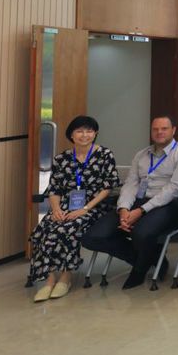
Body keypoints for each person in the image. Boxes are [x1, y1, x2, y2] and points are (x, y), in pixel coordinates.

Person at [82, 115, 178, 290]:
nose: (159, 132)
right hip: (137, 202)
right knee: (91, 238)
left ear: (173, 130)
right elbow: (130, 184)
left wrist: (141, 211)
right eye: (155, 129)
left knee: (141, 233)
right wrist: (123, 209)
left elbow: (173, 189)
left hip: (170, 205)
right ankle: (150, 258)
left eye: (164, 129)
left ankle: (139, 270)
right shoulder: (142, 155)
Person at [29, 116, 119, 302]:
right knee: (45, 227)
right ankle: (49, 279)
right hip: (66, 206)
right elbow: (54, 189)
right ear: (71, 135)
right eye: (80, 131)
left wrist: (85, 208)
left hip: (95, 206)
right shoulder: (61, 159)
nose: (84, 135)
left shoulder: (104, 155)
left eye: (89, 131)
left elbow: (107, 187)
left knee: (68, 228)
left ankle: (66, 276)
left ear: (95, 133)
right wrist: (55, 209)